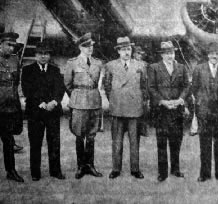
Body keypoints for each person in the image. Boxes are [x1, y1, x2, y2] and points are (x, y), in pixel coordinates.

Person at [21, 41, 65, 181]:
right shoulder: (27, 70)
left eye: (46, 54)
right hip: (35, 112)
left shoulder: (55, 70)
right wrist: (40, 103)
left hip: (53, 112)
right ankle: (35, 172)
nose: (43, 56)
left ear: (49, 55)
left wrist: (54, 102)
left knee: (54, 143)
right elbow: (27, 90)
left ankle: (55, 171)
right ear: (35, 55)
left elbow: (60, 89)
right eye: (40, 54)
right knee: (35, 143)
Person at [148, 41, 190, 182]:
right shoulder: (154, 68)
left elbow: (186, 86)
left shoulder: (182, 68)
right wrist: (163, 101)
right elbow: (151, 88)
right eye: (166, 53)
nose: (169, 56)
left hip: (177, 111)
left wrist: (180, 100)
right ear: (162, 55)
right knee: (162, 143)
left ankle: (176, 169)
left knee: (176, 141)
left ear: (174, 53)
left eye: (171, 53)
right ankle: (162, 172)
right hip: (162, 111)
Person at [104, 37, 145, 179]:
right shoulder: (110, 66)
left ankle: (135, 169)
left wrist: (140, 101)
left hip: (135, 109)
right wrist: (115, 100)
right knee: (117, 141)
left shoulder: (141, 65)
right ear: (118, 51)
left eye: (128, 49)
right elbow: (107, 86)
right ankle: (116, 169)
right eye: (123, 49)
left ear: (131, 50)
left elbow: (145, 86)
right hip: (118, 108)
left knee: (134, 141)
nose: (126, 52)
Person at [64, 33, 103, 179]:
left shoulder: (98, 63)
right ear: (80, 47)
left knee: (92, 136)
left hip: (94, 101)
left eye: (92, 45)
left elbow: (97, 81)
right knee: (79, 135)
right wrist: (76, 97)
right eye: (87, 46)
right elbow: (68, 84)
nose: (90, 48)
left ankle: (90, 165)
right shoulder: (72, 63)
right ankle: (81, 166)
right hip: (79, 103)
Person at [192, 43, 218, 182]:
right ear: (208, 55)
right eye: (212, 53)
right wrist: (202, 105)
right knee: (205, 144)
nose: (215, 56)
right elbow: (195, 89)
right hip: (205, 113)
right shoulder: (199, 69)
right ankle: (205, 173)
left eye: (217, 54)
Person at [0, 32, 24, 182]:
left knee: (8, 140)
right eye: (8, 45)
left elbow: (17, 82)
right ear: (1, 44)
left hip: (9, 107)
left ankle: (11, 171)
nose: (11, 48)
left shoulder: (16, 60)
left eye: (13, 45)